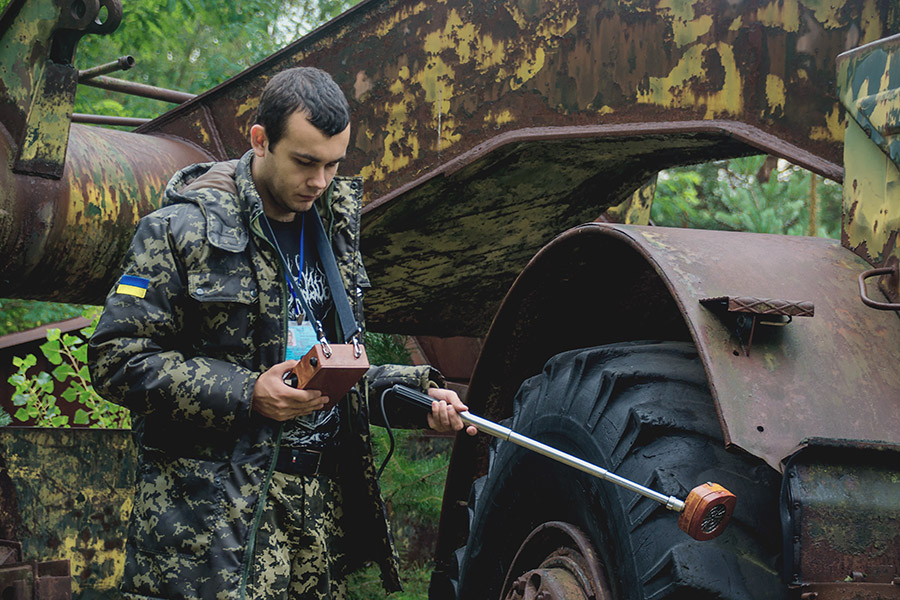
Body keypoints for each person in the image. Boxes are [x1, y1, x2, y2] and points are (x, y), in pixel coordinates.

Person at [88, 67, 475, 600]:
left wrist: (415, 396)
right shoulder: (181, 229)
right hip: (212, 526)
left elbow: (325, 370)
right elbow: (117, 359)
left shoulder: (333, 236)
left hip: (314, 521)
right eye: (305, 162)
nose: (320, 181)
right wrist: (248, 392)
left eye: (333, 164)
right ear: (260, 140)